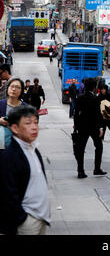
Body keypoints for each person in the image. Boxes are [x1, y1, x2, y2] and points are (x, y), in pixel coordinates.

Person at [0, 105, 50, 235]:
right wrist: (22, 218)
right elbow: (7, 194)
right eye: (28, 123)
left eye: (36, 122)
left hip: (41, 218)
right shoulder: (9, 156)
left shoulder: (34, 149)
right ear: (15, 128)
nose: (34, 127)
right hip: (26, 222)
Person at [73, 77, 106, 178]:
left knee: (81, 149)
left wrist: (76, 125)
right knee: (99, 147)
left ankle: (80, 171)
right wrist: (100, 128)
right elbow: (98, 114)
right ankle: (97, 168)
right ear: (94, 87)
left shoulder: (80, 98)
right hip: (94, 127)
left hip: (82, 127)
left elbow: (76, 114)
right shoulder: (96, 99)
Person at [0, 78, 26, 149]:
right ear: (7, 88)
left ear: (21, 91)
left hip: (19, 145)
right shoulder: (1, 104)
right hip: (2, 144)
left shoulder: (25, 108)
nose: (14, 89)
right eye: (12, 86)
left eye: (17, 87)